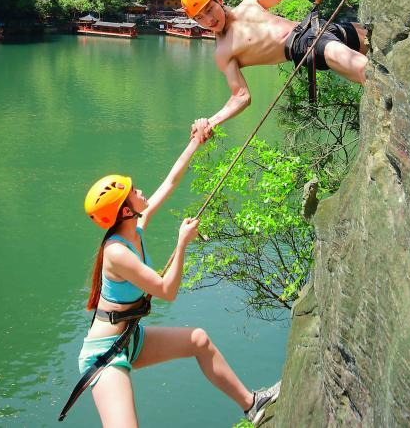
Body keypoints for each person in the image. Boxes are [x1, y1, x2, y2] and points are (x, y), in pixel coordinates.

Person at [78, 136, 279, 426]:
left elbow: (171, 181)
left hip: (129, 339)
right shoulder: (117, 253)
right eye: (133, 190)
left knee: (198, 340)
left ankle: (251, 404)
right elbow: (167, 291)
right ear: (125, 210)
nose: (140, 190)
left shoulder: (136, 229)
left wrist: (196, 142)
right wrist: (182, 242)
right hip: (105, 355)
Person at [182, 0, 368, 142]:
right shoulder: (224, 52)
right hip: (304, 46)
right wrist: (212, 122)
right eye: (200, 18)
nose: (209, 20)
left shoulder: (251, 3)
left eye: (209, 9)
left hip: (318, 25)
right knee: (367, 71)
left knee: (379, 40)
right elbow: (241, 96)